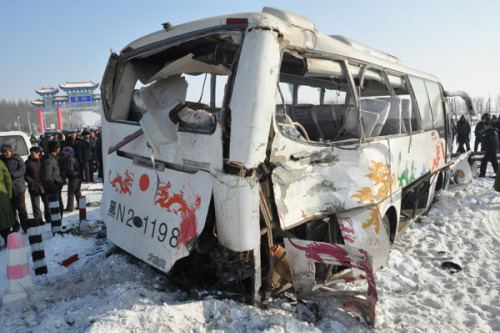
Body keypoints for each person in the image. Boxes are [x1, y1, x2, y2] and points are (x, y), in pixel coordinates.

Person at [1, 144, 28, 232]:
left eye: (6, 152)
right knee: (11, 209)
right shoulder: (1, 160)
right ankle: (15, 226)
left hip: (19, 187)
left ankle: (25, 226)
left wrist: (12, 175)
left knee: (21, 208)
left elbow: (22, 169)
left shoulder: (17, 159)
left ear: (11, 151)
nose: (5, 153)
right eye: (3, 152)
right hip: (8, 190)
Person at [40, 140, 64, 221]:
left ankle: (58, 226)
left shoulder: (54, 158)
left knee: (59, 208)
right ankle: (56, 228)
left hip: (56, 185)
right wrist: (54, 187)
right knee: (57, 209)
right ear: (57, 149)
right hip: (53, 187)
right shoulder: (48, 160)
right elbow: (46, 177)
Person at [25, 146, 49, 224]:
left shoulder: (42, 161)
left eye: (33, 153)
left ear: (38, 153)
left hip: (43, 185)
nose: (32, 154)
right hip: (33, 186)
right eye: (31, 153)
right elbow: (25, 175)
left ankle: (48, 218)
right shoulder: (27, 162)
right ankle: (39, 220)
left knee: (47, 202)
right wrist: (30, 181)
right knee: (35, 205)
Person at [0, 159, 15, 247]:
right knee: (4, 220)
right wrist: (9, 194)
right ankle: (8, 240)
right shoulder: (1, 163)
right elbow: (8, 180)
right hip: (2, 196)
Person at [61, 147, 81, 212]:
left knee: (70, 193)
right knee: (77, 192)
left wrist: (65, 174)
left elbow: (69, 169)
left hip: (73, 178)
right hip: (78, 177)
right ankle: (81, 205)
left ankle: (69, 208)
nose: (64, 154)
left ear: (68, 154)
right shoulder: (74, 158)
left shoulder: (69, 160)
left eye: (65, 153)